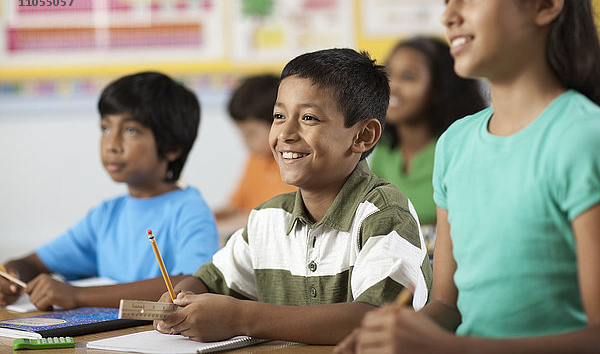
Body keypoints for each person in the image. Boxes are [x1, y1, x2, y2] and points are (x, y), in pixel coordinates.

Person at [335, 0, 600, 353]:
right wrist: (393, 335)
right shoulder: (456, 142)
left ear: (545, 3)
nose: (449, 16)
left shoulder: (582, 137)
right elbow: (447, 305)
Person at [153, 48, 433, 344]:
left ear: (362, 136)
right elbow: (209, 282)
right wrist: (182, 299)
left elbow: (377, 320)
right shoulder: (267, 219)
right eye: (279, 115)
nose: (285, 132)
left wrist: (240, 318)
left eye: (309, 117)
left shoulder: (383, 215)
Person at [0, 72, 219, 310]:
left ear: (172, 147)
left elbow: (193, 284)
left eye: (131, 130)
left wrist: (79, 296)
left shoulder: (189, 209)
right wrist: (11, 275)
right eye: (105, 127)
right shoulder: (106, 215)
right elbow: (32, 262)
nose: (112, 144)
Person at [370, 36, 486, 253]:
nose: (391, 87)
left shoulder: (457, 149)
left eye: (409, 77)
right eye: (388, 74)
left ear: (439, 89)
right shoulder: (383, 151)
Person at [214, 75, 296, 243]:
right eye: (242, 134)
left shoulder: (294, 164)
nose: (245, 142)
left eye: (251, 133)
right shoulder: (255, 160)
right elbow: (236, 207)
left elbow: (281, 218)